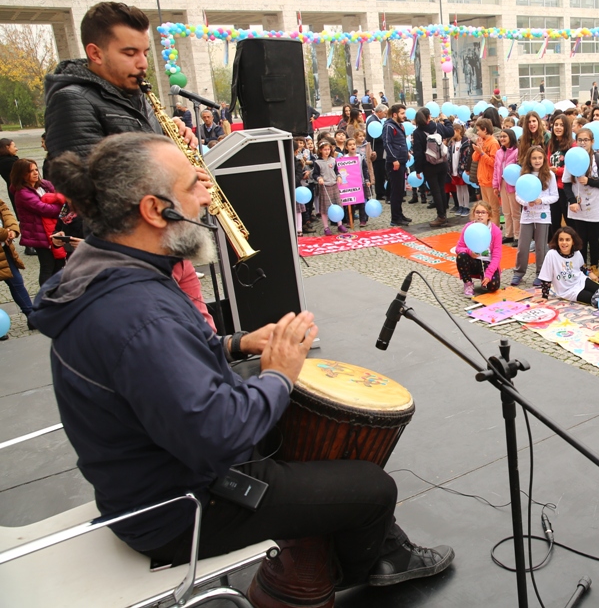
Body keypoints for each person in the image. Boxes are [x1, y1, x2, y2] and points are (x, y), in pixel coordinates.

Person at [32, 133, 453, 603]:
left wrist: (235, 344)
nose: (206, 196)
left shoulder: (110, 273)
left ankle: (341, 549)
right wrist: (279, 373)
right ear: (154, 210)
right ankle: (353, 567)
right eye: (193, 185)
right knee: (373, 489)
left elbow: (154, 366)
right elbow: (220, 434)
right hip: (183, 510)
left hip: (146, 482)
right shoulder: (140, 313)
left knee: (294, 424)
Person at [43, 2, 196, 189]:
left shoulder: (134, 93)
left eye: (145, 53)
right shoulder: (71, 101)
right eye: (130, 54)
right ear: (95, 53)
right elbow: (89, 189)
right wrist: (178, 177)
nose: (143, 64)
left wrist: (169, 138)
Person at [9, 158, 67, 286]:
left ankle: (55, 291)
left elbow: (61, 196)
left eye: (36, 169)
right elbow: (45, 209)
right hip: (38, 234)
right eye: (30, 171)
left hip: (51, 230)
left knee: (59, 263)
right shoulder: (22, 193)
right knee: (48, 266)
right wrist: (61, 206)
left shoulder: (44, 185)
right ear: (21, 174)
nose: (35, 173)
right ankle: (45, 294)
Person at [563, 128, 599, 272]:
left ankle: (594, 265)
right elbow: (566, 183)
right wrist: (572, 201)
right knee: (580, 238)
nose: (583, 143)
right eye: (580, 140)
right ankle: (582, 265)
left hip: (595, 205)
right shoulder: (572, 158)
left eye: (586, 140)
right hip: (578, 206)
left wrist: (589, 181)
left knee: (593, 237)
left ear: (592, 141)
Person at [512, 146, 558, 287]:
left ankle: (541, 273)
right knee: (523, 246)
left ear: (544, 159)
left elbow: (555, 196)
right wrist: (526, 202)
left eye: (539, 158)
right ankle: (519, 272)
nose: (537, 161)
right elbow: (518, 195)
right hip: (527, 215)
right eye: (534, 158)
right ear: (529, 160)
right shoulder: (524, 175)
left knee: (540, 247)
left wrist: (541, 200)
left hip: (542, 215)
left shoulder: (550, 175)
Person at [411, 107, 455, 228]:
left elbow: (418, 153)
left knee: (435, 191)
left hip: (429, 165)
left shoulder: (417, 132)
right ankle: (443, 214)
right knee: (441, 188)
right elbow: (451, 132)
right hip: (442, 163)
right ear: (429, 116)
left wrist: (418, 169)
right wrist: (446, 120)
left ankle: (441, 216)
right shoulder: (438, 126)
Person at [538, 226, 599, 304]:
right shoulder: (551, 254)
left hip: (580, 280)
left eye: (567, 240)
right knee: (595, 298)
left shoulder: (577, 252)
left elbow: (581, 268)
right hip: (568, 290)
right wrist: (544, 296)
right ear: (557, 241)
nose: (564, 242)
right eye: (561, 240)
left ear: (573, 241)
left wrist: (590, 273)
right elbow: (546, 277)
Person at [0, 197, 32, 337]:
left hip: (4, 249)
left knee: (17, 282)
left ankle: (32, 317)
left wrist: (12, 229)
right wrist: (5, 233)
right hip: (3, 241)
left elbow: (5, 211)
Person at [455, 201, 502, 297]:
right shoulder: (468, 227)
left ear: (489, 215)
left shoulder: (496, 231)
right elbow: (458, 248)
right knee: (461, 256)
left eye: (483, 212)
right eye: (477, 212)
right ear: (474, 214)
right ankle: (468, 284)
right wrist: (469, 252)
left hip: (487, 262)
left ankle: (483, 277)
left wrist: (488, 274)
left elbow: (497, 256)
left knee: (493, 287)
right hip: (473, 261)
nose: (480, 215)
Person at [382, 104, 412, 227]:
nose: (404, 116)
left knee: (400, 191)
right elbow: (387, 143)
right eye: (402, 113)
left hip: (402, 160)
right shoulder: (389, 126)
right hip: (394, 163)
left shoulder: (399, 126)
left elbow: (401, 142)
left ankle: (400, 215)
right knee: (396, 191)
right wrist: (394, 159)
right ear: (395, 114)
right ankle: (395, 218)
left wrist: (406, 152)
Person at [546, 113, 573, 230]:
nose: (558, 127)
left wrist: (558, 171)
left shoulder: (572, 145)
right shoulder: (551, 144)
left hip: (566, 187)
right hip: (552, 187)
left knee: (569, 220)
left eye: (561, 125)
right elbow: (548, 161)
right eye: (556, 124)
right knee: (554, 220)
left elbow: (572, 167)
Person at [493, 128, 520, 242]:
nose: (502, 139)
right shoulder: (499, 152)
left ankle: (517, 235)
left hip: (513, 184)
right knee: (506, 210)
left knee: (515, 211)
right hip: (502, 183)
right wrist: (495, 185)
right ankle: (509, 234)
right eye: (501, 136)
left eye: (504, 136)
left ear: (511, 137)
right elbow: (496, 169)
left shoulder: (516, 152)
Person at [472, 118, 500, 225]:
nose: (477, 133)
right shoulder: (483, 141)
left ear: (485, 129)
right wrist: (478, 149)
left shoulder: (493, 143)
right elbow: (475, 158)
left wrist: (482, 152)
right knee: (486, 208)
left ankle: (495, 229)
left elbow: (494, 162)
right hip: (483, 179)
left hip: (490, 180)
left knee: (493, 208)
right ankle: (488, 228)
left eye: (478, 130)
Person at [366, 103, 388, 201]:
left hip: (379, 149)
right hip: (377, 150)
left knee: (381, 172)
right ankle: (380, 193)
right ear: (379, 112)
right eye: (385, 113)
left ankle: (382, 191)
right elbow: (376, 136)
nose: (385, 115)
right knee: (379, 172)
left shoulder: (375, 119)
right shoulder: (373, 121)